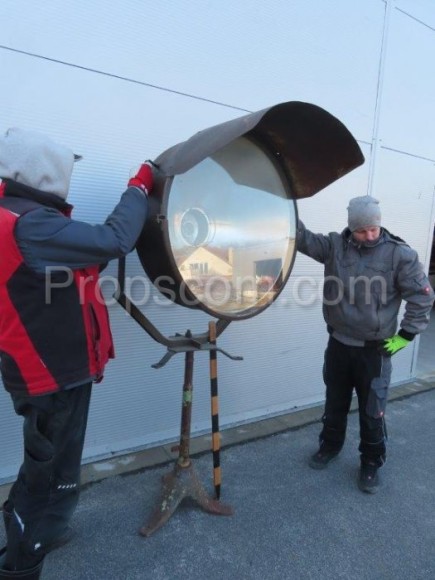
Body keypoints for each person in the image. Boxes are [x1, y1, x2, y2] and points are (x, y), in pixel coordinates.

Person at [0, 127, 154, 579]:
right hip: (52, 375)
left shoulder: (17, 219)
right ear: (46, 174)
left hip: (48, 370)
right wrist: (138, 188)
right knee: (46, 476)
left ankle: (47, 527)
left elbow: (83, 259)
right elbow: (113, 241)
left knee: (48, 463)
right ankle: (21, 561)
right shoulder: (29, 224)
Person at [297, 195, 434, 494]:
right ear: (351, 228)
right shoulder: (334, 246)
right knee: (335, 402)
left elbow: (422, 296)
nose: (370, 235)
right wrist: (283, 205)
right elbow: (301, 239)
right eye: (362, 231)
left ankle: (371, 462)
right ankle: (330, 446)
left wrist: (404, 337)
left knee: (372, 411)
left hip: (375, 351)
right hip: (338, 345)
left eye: (374, 229)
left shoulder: (400, 255)